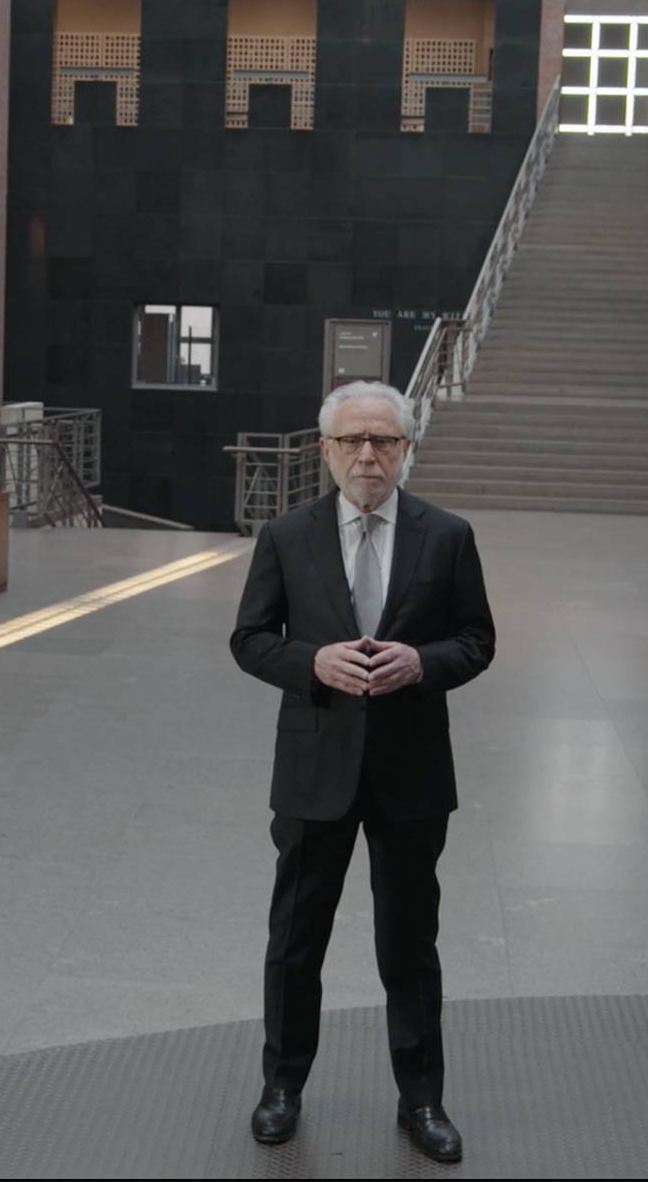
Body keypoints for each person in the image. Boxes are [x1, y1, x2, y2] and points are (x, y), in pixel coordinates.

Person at [229, 380, 496, 1164]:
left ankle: (422, 1100)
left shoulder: (447, 536)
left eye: (384, 440)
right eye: (353, 441)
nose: (369, 455)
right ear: (326, 451)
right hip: (316, 766)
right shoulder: (287, 535)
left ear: (407, 449)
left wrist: (424, 662)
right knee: (295, 938)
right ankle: (282, 1087)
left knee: (409, 941)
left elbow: (477, 641)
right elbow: (249, 639)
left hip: (411, 771)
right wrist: (312, 660)